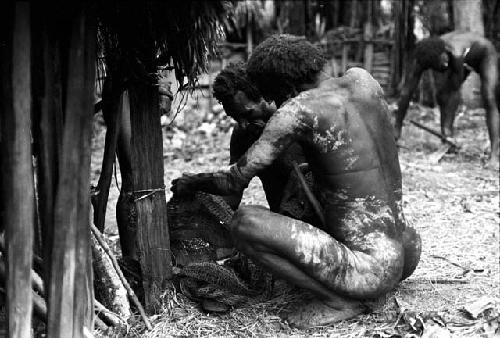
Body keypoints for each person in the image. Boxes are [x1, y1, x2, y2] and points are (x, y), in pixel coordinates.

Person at [171, 34, 421, 328]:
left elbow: (233, 182)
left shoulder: (298, 110)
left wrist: (193, 182)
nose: (277, 103)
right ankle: (354, 286)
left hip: (369, 270)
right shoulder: (363, 80)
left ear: (285, 88)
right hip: (407, 249)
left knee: (244, 223)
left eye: (275, 96)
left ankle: (336, 299)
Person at [394, 30, 499, 168]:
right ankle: (447, 139)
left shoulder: (455, 53)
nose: (444, 65)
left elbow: (455, 92)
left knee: (489, 97)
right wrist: (397, 127)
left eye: (444, 61)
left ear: (445, 51)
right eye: (440, 64)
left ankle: (495, 156)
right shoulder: (421, 58)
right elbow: (407, 92)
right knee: (442, 95)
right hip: (464, 60)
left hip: (484, 55)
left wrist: (446, 125)